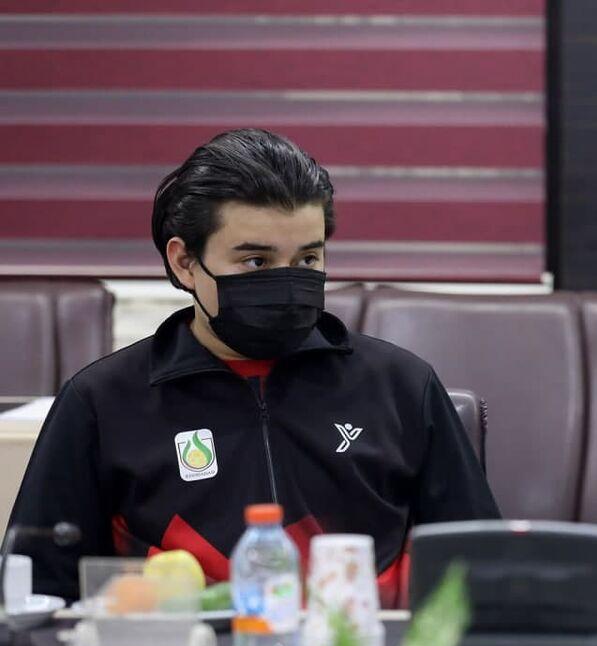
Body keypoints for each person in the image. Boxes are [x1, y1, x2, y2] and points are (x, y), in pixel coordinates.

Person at [8, 128, 500, 605]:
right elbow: (38, 590)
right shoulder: (103, 402)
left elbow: (483, 571)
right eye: (256, 262)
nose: (288, 283)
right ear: (184, 263)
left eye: (307, 260)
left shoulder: (400, 386)